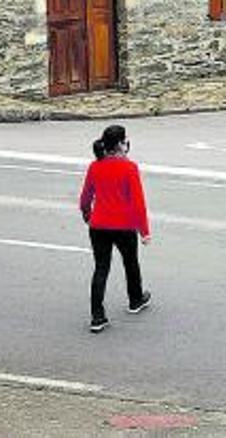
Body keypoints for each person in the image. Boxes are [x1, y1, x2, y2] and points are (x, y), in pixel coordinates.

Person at [79, 124, 152, 333]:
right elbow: (138, 203)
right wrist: (144, 231)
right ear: (120, 144)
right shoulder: (129, 168)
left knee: (101, 268)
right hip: (124, 226)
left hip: (98, 225)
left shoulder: (95, 166)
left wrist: (88, 215)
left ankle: (97, 316)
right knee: (130, 262)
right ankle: (135, 300)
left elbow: (85, 198)